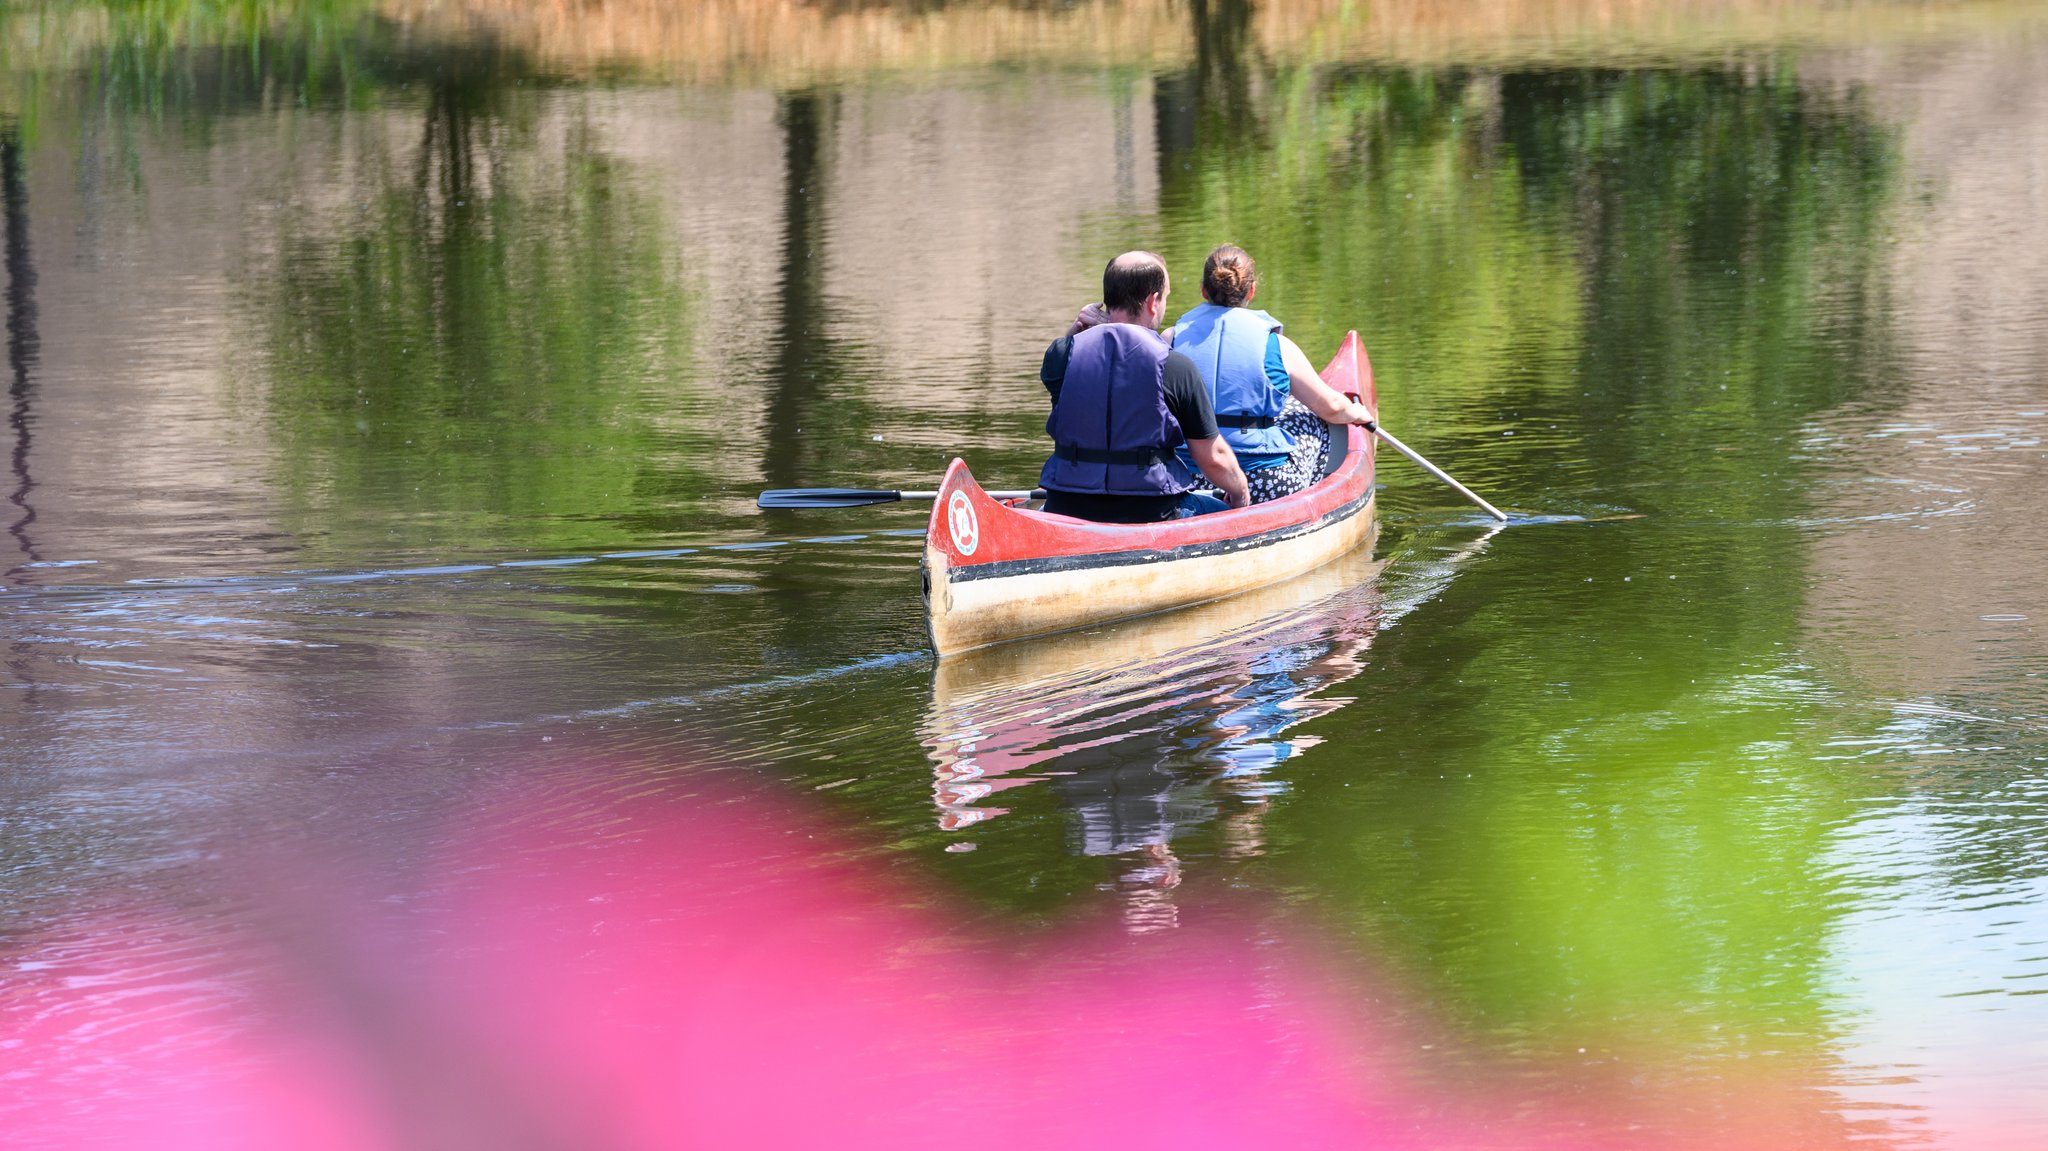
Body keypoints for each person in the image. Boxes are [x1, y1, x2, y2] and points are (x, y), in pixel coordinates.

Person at [1037, 252, 1250, 523]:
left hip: (1067, 507)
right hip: (1152, 511)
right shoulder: (1174, 367)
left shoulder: (1061, 355)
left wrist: (1078, 327)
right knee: (1228, 514)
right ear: (1152, 301)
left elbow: (1059, 364)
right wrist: (1241, 493)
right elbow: (1213, 458)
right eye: (1164, 298)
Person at [1164, 245, 1374, 503]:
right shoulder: (1276, 345)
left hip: (1183, 478)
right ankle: (1309, 503)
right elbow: (1330, 406)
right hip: (1264, 480)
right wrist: (1356, 411)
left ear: (1203, 289)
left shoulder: (1170, 339)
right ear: (1251, 290)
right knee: (1308, 414)